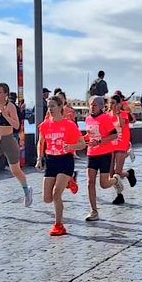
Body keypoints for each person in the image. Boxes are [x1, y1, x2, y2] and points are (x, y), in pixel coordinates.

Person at [35, 97, 87, 236]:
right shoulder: (45, 125)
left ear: (60, 107)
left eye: (52, 106)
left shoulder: (69, 125)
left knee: (56, 194)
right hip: (51, 161)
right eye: (48, 106)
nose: (50, 109)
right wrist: (39, 159)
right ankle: (69, 181)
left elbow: (82, 144)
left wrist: (70, 146)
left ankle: (59, 225)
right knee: (47, 198)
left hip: (65, 160)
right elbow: (41, 142)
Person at [0, 82, 33, 209]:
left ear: (5, 94)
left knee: (15, 170)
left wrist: (6, 116)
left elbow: (16, 126)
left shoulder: (10, 106)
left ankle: (27, 192)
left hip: (9, 141)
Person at [83, 95, 119, 221]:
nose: (92, 107)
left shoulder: (105, 118)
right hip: (91, 153)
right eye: (90, 105)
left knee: (104, 184)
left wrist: (99, 141)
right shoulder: (87, 119)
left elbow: (114, 135)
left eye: (94, 105)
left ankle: (115, 180)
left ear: (101, 106)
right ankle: (93, 211)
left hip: (105, 153)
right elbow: (89, 135)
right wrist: (82, 139)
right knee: (90, 182)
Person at [108, 93, 136, 204]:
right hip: (110, 145)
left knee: (117, 173)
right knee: (111, 174)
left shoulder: (124, 114)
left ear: (119, 104)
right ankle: (129, 174)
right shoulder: (106, 115)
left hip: (121, 144)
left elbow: (121, 124)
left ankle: (119, 195)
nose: (111, 105)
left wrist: (118, 112)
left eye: (114, 103)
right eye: (110, 103)